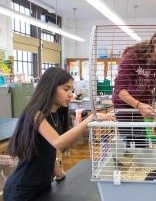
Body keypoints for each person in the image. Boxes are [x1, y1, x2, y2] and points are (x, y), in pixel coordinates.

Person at [3, 67, 114, 201]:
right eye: (66, 89)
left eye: (71, 90)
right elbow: (58, 142)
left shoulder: (57, 114)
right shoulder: (35, 114)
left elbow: (49, 147)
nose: (71, 94)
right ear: (50, 87)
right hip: (22, 189)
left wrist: (57, 171)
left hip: (43, 184)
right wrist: (90, 119)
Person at [113, 25, 156, 145]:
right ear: (155, 41)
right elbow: (119, 89)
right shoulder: (133, 55)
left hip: (143, 104)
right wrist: (138, 105)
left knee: (141, 141)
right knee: (127, 139)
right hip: (124, 104)